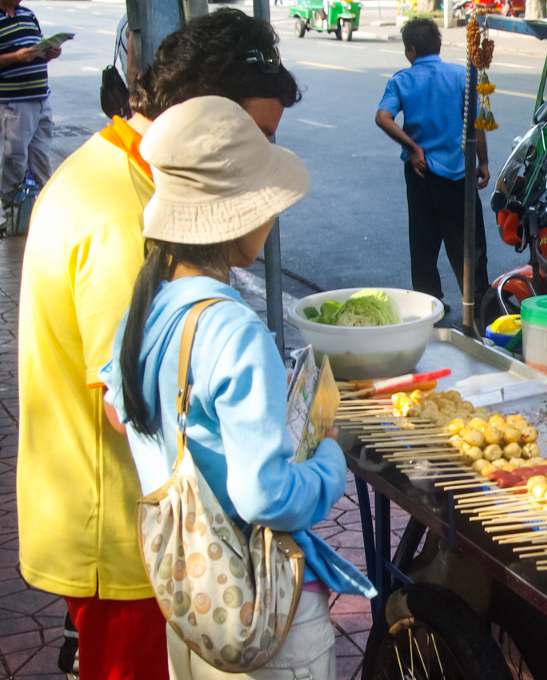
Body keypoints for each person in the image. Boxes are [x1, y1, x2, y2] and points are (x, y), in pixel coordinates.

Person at [17, 9, 302, 679]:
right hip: (125, 544)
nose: (260, 165)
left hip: (138, 532)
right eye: (255, 139)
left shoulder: (132, 176)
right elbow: (138, 405)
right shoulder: (124, 215)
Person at [101, 95, 375, 678]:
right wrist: (329, 455)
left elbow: (115, 407)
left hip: (194, 605)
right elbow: (265, 496)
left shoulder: (148, 302)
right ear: (239, 213)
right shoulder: (234, 330)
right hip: (265, 615)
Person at [375, 18, 490, 313]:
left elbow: (383, 117)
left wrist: (413, 148)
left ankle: (431, 306)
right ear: (438, 45)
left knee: (424, 242)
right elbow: (477, 124)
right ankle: (476, 305)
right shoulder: (462, 76)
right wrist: (484, 162)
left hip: (420, 172)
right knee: (468, 241)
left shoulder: (402, 80)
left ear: (411, 50)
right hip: (459, 173)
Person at [0, 0, 60, 231]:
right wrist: (16, 57)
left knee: (41, 158)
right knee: (14, 159)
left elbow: (38, 52)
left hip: (40, 98)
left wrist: (49, 53)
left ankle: (42, 209)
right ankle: (11, 212)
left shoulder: (28, 14)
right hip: (14, 102)